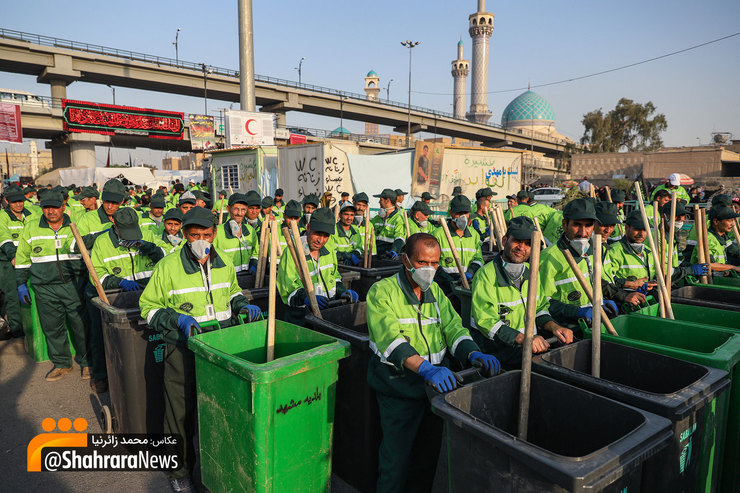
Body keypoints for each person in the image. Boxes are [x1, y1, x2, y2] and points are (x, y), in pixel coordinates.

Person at [366, 232, 500, 493]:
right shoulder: (382, 292)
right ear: (405, 260)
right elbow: (390, 340)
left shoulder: (436, 291)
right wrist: (425, 368)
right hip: (399, 390)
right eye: (421, 263)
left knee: (427, 459)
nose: (429, 270)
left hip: (434, 391)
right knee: (396, 461)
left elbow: (453, 329)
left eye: (435, 263)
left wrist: (473, 353)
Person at [139, 207, 260, 493]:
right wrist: (175, 319)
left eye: (206, 235)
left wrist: (241, 304)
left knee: (220, 410)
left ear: (214, 234)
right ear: (184, 235)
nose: (201, 241)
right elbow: (148, 308)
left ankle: (220, 468)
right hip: (182, 350)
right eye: (195, 235)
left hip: (220, 348)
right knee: (179, 414)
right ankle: (179, 472)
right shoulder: (168, 267)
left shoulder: (225, 262)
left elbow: (231, 291)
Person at [471, 217, 573, 368]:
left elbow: (539, 308)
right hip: (498, 353)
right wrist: (523, 339)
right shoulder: (485, 275)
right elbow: (486, 320)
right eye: (517, 241)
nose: (522, 247)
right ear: (505, 241)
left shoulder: (531, 272)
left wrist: (555, 328)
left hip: (527, 349)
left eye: (528, 244)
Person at [538, 199, 645, 335]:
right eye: (577, 225)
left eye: (588, 226)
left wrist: (621, 296)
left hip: (594, 324)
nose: (583, 232)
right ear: (565, 225)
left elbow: (595, 281)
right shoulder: (549, 257)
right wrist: (577, 311)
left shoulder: (593, 250)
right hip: (568, 330)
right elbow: (542, 303)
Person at [15, 190, 90, 382]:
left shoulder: (76, 225)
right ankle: (62, 364)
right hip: (44, 288)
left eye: (55, 207)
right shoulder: (31, 228)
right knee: (52, 327)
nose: (51, 211)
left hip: (74, 285)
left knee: (81, 325)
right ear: (42, 208)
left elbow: (87, 254)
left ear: (63, 206)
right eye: (46, 207)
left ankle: (88, 362)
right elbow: (23, 258)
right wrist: (21, 283)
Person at [76, 178, 128, 393]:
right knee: (97, 333)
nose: (110, 206)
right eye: (107, 201)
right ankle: (99, 375)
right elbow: (78, 244)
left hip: (121, 283)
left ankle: (123, 373)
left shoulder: (127, 216)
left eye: (115, 203)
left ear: (122, 201)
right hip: (96, 283)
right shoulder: (88, 219)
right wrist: (109, 232)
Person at [277, 207, 358, 325]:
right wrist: (307, 298)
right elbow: (287, 287)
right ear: (308, 227)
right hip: (300, 318)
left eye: (326, 235)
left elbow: (334, 276)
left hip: (327, 312)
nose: (321, 240)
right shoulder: (292, 252)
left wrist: (343, 291)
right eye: (317, 234)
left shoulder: (329, 250)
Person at [432, 195, 483, 297]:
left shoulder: (474, 235)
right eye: (459, 213)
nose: (463, 216)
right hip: (444, 288)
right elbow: (433, 264)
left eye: (465, 213)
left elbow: (478, 259)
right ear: (451, 213)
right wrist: (450, 281)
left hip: (466, 285)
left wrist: (470, 272)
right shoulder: (438, 234)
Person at [0, 185, 32, 339]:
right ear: (6, 201)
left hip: (28, 260)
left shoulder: (30, 214)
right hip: (8, 261)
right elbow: (4, 238)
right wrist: (14, 256)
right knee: (12, 295)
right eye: (14, 202)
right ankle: (18, 330)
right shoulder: (2, 216)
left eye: (21, 201)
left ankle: (32, 328)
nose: (19, 204)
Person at [213, 193, 258, 274]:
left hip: (247, 276)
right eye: (236, 209)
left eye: (243, 210)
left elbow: (255, 253)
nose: (239, 213)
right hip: (227, 278)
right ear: (228, 208)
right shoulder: (218, 232)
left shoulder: (250, 231)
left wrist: (253, 264)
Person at [690, 205, 740, 273]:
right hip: (704, 279)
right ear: (716, 221)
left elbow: (734, 251)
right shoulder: (709, 239)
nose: (733, 224)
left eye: (733, 221)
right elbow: (708, 265)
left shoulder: (722, 237)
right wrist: (732, 267)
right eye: (729, 221)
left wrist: (725, 269)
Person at [371, 188, 405, 256]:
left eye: (381, 200)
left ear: (387, 201)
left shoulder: (398, 218)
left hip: (388, 256)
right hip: (375, 254)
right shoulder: (377, 218)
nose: (379, 202)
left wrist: (394, 250)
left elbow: (399, 237)